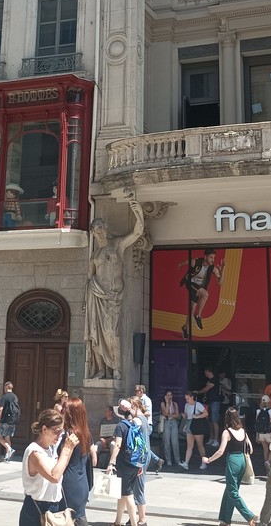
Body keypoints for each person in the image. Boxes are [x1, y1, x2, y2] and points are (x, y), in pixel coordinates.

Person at [86, 198, 146, 379]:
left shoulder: (117, 244)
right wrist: (85, 302)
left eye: (101, 230)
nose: (99, 234)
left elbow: (137, 232)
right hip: (96, 295)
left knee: (111, 333)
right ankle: (101, 369)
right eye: (95, 232)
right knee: (95, 334)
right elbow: (90, 277)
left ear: (105, 229)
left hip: (113, 297)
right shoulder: (95, 252)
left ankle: (116, 368)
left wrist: (138, 213)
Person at [20, 408, 80, 526]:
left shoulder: (51, 449)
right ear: (44, 429)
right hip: (36, 508)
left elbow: (60, 469)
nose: (59, 436)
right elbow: (54, 477)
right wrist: (66, 450)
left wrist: (70, 448)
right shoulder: (34, 452)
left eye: (61, 432)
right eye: (56, 431)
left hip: (54, 505)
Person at [202, 406, 258, 526]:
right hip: (242, 460)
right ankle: (225, 520)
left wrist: (209, 460)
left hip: (233, 460)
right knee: (229, 490)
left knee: (232, 492)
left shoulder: (226, 432)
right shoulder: (243, 430)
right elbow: (251, 450)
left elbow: (221, 451)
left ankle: (249, 516)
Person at [106, 399, 144, 526]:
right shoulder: (134, 424)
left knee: (128, 495)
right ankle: (117, 521)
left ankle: (134, 523)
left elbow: (117, 445)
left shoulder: (120, 426)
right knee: (123, 492)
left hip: (124, 462)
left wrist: (111, 463)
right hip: (134, 462)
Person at [62, 397, 97, 526]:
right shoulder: (86, 434)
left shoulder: (68, 435)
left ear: (70, 414)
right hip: (82, 483)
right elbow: (93, 460)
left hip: (68, 483)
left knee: (68, 519)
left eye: (65, 410)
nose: (62, 412)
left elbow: (62, 462)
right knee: (78, 517)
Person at [181, 248, 224, 339]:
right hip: (191, 283)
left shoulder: (213, 268)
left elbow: (220, 283)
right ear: (205, 257)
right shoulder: (196, 262)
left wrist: (222, 269)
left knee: (192, 308)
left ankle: (185, 328)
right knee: (205, 294)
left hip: (199, 288)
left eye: (214, 257)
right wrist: (180, 264)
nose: (213, 260)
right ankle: (198, 316)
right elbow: (186, 262)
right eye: (211, 257)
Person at [134, 383, 163, 474]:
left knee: (143, 446)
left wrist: (138, 414)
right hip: (141, 425)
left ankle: (146, 465)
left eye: (136, 391)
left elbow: (148, 413)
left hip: (146, 425)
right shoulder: (138, 400)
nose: (135, 392)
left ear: (141, 391)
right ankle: (157, 460)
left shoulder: (146, 400)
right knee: (143, 446)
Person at [182, 389, 211, 470]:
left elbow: (206, 413)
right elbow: (187, 416)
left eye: (188, 398)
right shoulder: (186, 405)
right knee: (189, 446)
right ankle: (186, 463)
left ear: (192, 397)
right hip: (189, 425)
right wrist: (184, 415)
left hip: (197, 425)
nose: (187, 400)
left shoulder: (198, 404)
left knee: (200, 445)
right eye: (186, 399)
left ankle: (204, 462)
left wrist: (197, 416)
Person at [0, 381, 20, 462]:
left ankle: (9, 449)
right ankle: (7, 457)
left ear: (6, 387)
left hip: (5, 419)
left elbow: (1, 408)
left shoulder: (5, 397)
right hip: (12, 420)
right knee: (7, 437)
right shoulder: (15, 397)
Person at [159, 390, 182, 468]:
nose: (169, 396)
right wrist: (167, 403)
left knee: (175, 442)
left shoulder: (175, 404)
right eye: (168, 395)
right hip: (166, 422)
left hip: (174, 422)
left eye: (171, 395)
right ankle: (168, 460)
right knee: (167, 442)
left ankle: (177, 460)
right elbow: (165, 413)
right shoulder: (163, 403)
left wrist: (170, 415)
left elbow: (177, 415)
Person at [254, 395, 271, 473]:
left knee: (265, 449)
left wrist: (257, 434)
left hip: (261, 433)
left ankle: (266, 468)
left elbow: (256, 423)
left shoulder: (258, 411)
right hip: (269, 433)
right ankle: (268, 462)